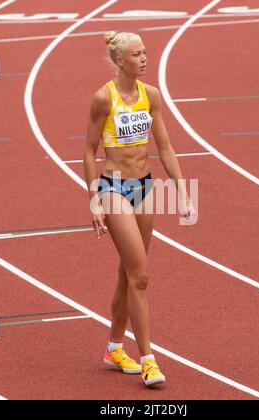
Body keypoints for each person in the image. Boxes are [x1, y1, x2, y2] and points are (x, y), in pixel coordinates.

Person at [83, 31, 194, 387]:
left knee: (127, 273)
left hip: (145, 188)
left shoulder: (151, 96)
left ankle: (114, 347)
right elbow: (88, 151)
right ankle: (149, 359)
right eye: (137, 54)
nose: (145, 59)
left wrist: (181, 189)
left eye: (146, 52)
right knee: (141, 276)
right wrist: (94, 198)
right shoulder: (104, 98)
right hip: (114, 187)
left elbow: (165, 147)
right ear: (119, 61)